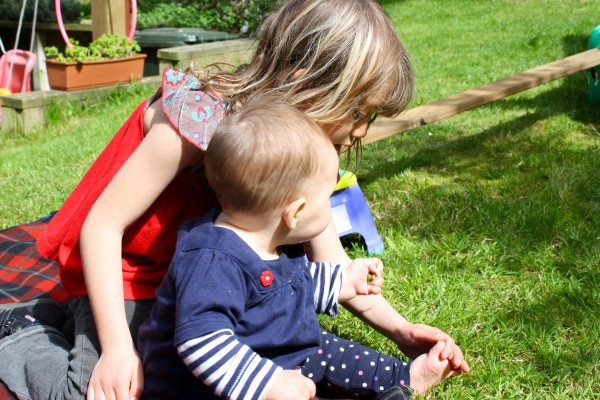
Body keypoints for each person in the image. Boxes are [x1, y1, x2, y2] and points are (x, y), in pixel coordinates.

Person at [0, 0, 469, 399]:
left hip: (218, 282)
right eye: (359, 112)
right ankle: (23, 335)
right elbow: (102, 225)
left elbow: (333, 264)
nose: (363, 130)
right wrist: (118, 349)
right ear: (310, 84)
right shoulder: (198, 116)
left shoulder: (301, 154)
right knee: (112, 390)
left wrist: (403, 332)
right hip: (134, 274)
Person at [138, 95, 461, 400]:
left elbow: (293, 285)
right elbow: (200, 342)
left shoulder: (275, 243)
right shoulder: (210, 260)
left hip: (279, 352)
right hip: (211, 388)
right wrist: (269, 383)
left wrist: (345, 283)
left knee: (326, 346)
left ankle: (403, 378)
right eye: (326, 199)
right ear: (295, 213)